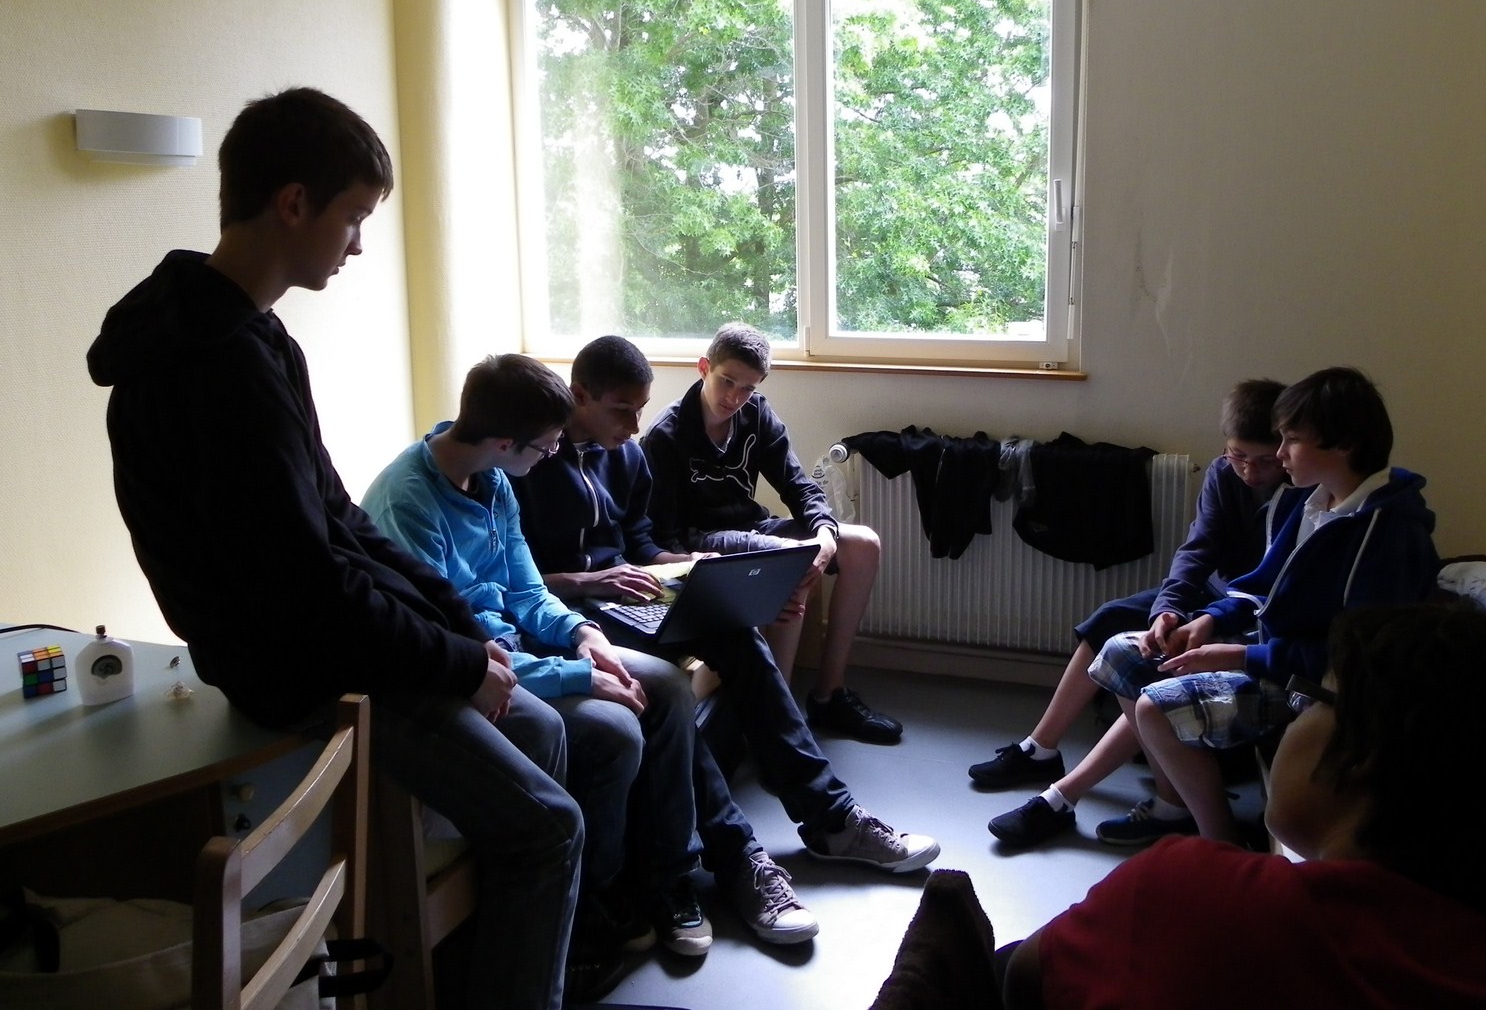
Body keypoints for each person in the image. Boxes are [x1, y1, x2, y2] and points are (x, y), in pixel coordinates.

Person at [86, 88, 581, 1010]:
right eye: (353, 217)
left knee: (542, 726)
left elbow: (340, 519)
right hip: (293, 669)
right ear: (293, 203)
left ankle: (492, 973)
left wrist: (462, 627)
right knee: (551, 827)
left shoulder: (260, 338)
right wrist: (454, 661)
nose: (357, 245)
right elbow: (302, 592)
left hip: (326, 634)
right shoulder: (213, 369)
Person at [515, 335, 942, 946]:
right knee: (664, 692)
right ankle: (740, 857)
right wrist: (589, 580)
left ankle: (831, 818)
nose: (634, 426)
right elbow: (516, 580)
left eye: (640, 410)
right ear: (578, 395)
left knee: (738, 632)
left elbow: (644, 543)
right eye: (621, 410)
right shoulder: (529, 462)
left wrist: (691, 572)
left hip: (635, 597)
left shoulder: (626, 456)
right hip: (569, 615)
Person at [999, 602, 1486, 1010]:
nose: (1298, 715)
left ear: (1361, 754)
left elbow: (1027, 979)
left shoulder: (1187, 892)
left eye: (1312, 700)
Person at [990, 366, 1439, 850]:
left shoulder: (1386, 531)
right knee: (1122, 650)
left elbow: (1356, 660)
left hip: (1315, 688)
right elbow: (1259, 586)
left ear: (1344, 444)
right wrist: (1206, 620)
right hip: (1270, 652)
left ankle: (1217, 844)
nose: (1281, 454)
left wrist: (1238, 655)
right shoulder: (1313, 503)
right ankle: (1077, 780)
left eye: (1290, 442)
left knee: (1153, 705)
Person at [360, 353, 707, 962]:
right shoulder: (408, 504)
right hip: (477, 667)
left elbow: (526, 590)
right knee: (616, 728)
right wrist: (579, 677)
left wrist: (583, 635)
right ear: (504, 442)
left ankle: (669, 875)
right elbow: (460, 650)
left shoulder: (493, 478)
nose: (552, 456)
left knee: (667, 688)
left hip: (520, 645)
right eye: (545, 447)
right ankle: (592, 901)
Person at [970, 379, 1301, 795]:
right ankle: (1041, 747)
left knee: (1145, 658)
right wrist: (1169, 609)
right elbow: (1198, 548)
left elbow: (1276, 587)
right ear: (1225, 447)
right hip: (1214, 592)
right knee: (1109, 618)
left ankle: (1166, 797)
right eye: (1239, 456)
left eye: (1266, 461)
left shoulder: (1303, 493)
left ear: (1286, 451)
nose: (1251, 471)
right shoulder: (1221, 474)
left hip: (1250, 611)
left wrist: (1208, 620)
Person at [641, 321, 901, 744]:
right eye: (727, 381)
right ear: (704, 368)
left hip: (751, 524)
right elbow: (666, 537)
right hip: (700, 540)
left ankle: (828, 694)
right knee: (790, 560)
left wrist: (824, 533)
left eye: (748, 388)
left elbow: (799, 486)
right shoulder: (666, 435)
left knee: (863, 545)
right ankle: (776, 721)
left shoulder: (756, 413)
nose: (735, 397)